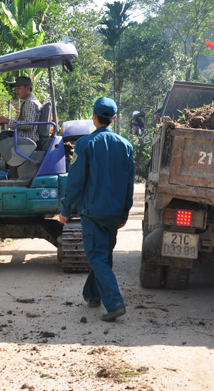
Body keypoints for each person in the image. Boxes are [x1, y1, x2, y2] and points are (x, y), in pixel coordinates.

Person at [58, 97, 135, 322]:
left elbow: (75, 182)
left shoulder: (84, 144)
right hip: (114, 212)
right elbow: (129, 184)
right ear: (114, 118)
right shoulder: (126, 145)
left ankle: (115, 303)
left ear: (94, 117)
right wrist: (125, 212)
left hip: (92, 212)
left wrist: (65, 208)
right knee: (103, 254)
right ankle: (93, 295)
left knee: (96, 257)